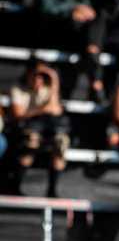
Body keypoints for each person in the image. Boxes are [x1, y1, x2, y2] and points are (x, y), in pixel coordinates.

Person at [9, 59, 70, 197]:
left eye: (42, 76)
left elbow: (56, 111)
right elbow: (18, 114)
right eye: (36, 74)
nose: (39, 78)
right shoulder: (19, 89)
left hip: (49, 128)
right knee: (31, 140)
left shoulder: (48, 89)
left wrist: (54, 81)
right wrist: (41, 109)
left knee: (60, 141)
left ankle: (52, 191)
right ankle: (15, 186)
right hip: (27, 128)